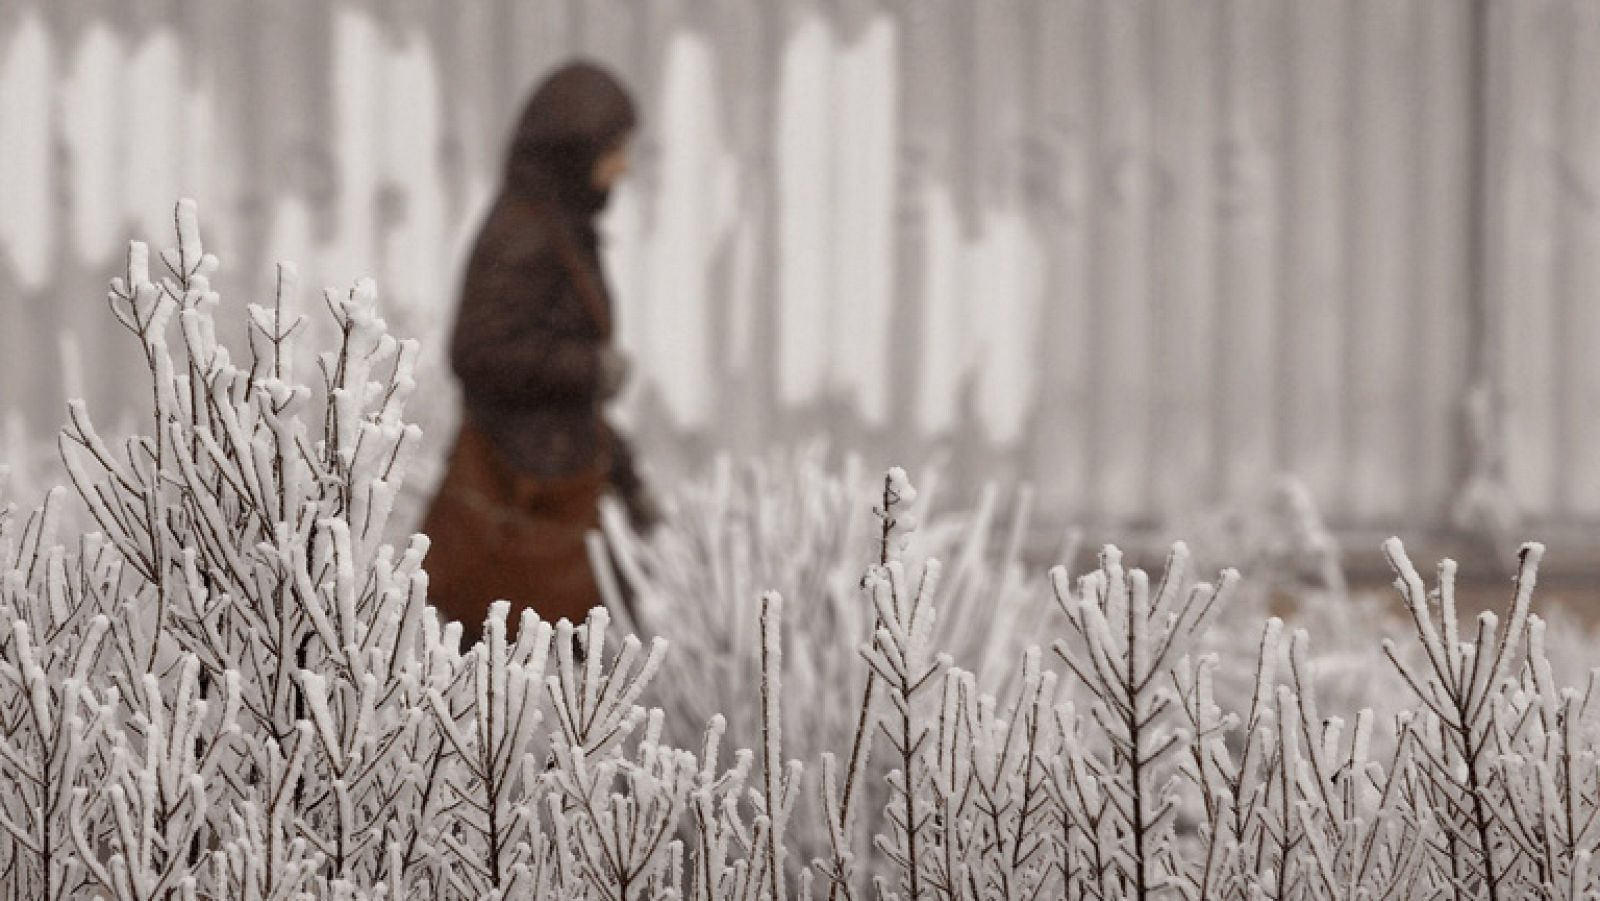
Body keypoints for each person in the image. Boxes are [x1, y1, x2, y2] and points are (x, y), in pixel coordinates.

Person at [422, 60, 659, 649]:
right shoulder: (526, 231)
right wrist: (592, 368)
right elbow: (477, 352)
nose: (624, 167)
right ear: (574, 151)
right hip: (526, 510)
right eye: (614, 149)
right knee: (543, 691)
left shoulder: (558, 222)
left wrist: (624, 472)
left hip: (551, 497)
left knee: (564, 691)